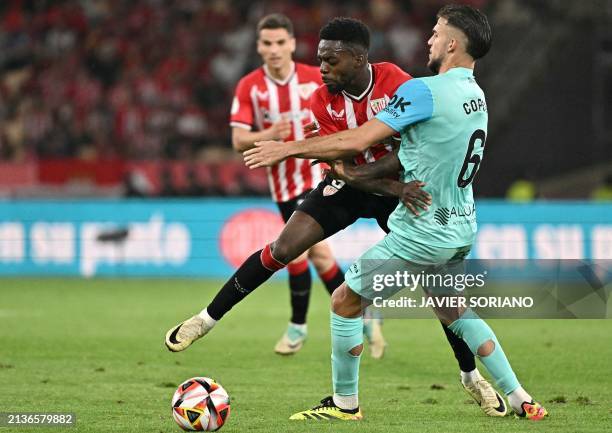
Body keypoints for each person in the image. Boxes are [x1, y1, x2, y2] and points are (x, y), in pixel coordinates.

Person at [166, 16, 506, 417]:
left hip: (400, 187)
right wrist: (376, 181)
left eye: (331, 60)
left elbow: (410, 148)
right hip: (359, 186)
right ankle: (205, 320)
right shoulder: (320, 101)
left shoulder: (396, 82)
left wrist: (390, 185)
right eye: (320, 59)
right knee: (283, 247)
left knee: (439, 292)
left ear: (360, 58)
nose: (323, 68)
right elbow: (341, 164)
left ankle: (471, 377)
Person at [245, 5, 548, 421]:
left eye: (437, 33)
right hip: (460, 223)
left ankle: (344, 405)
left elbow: (360, 139)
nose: (429, 39)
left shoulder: (423, 91)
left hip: (420, 229)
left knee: (345, 301)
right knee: (453, 309)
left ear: (453, 43)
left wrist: (288, 148)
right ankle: (519, 397)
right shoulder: (475, 94)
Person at [227, 13, 347, 355]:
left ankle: (298, 327)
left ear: (293, 44)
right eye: (268, 43)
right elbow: (238, 140)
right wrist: (269, 135)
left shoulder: (315, 78)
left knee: (302, 251)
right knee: (317, 257)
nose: (275, 49)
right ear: (259, 47)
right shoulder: (250, 86)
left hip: (319, 176)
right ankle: (362, 317)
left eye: (281, 42)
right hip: (282, 185)